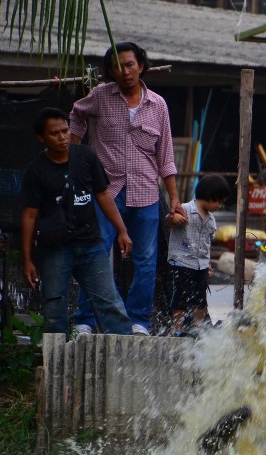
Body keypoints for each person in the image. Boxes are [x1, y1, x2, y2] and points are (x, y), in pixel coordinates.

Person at [70, 41, 181, 336]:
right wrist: (74, 152)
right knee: (96, 252)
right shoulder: (100, 97)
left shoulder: (157, 105)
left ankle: (138, 321)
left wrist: (175, 199)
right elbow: (77, 114)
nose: (125, 71)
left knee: (145, 260)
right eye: (117, 66)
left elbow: (165, 156)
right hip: (106, 191)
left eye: (130, 64)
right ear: (111, 71)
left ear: (141, 66)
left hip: (145, 192)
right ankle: (86, 318)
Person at [19, 108, 133, 336]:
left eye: (66, 131)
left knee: (111, 304)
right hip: (54, 248)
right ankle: (56, 364)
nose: (62, 137)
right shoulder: (35, 171)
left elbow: (103, 195)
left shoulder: (87, 156)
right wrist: (27, 259)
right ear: (42, 138)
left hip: (91, 244)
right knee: (54, 309)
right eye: (55, 133)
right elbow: (29, 215)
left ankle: (126, 359)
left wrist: (122, 230)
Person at [164, 174, 230, 336]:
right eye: (219, 201)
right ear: (209, 197)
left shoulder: (211, 220)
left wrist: (207, 263)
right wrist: (174, 218)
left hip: (200, 264)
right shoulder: (185, 209)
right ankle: (177, 328)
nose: (220, 206)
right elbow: (167, 220)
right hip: (181, 261)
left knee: (200, 298)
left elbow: (206, 244)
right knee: (179, 296)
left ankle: (198, 327)